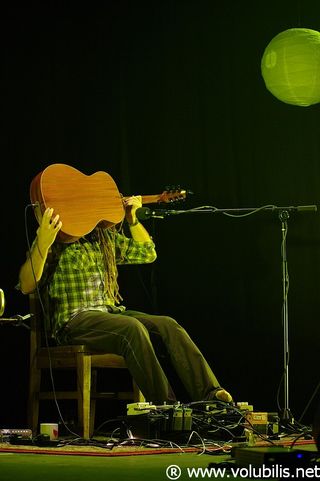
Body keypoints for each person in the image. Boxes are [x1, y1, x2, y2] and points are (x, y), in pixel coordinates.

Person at [18, 194, 232, 406]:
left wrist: (133, 219)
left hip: (109, 313)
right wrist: (43, 243)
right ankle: (164, 408)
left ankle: (212, 397)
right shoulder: (58, 240)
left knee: (168, 325)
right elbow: (27, 284)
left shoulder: (103, 236)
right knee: (132, 328)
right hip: (74, 322)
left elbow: (148, 253)